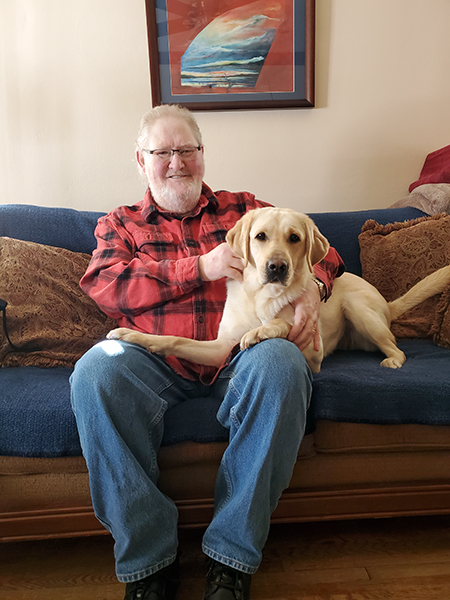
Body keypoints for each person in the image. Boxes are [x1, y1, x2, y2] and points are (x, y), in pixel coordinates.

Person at [70, 104, 344, 600]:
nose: (176, 162)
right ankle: (149, 564)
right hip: (154, 361)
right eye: (162, 152)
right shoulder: (120, 224)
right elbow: (106, 286)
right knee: (93, 371)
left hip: (242, 355)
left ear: (202, 154)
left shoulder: (247, 209)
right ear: (140, 160)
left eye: (187, 150)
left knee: (283, 364)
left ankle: (229, 559)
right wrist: (198, 268)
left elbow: (327, 255)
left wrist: (312, 289)